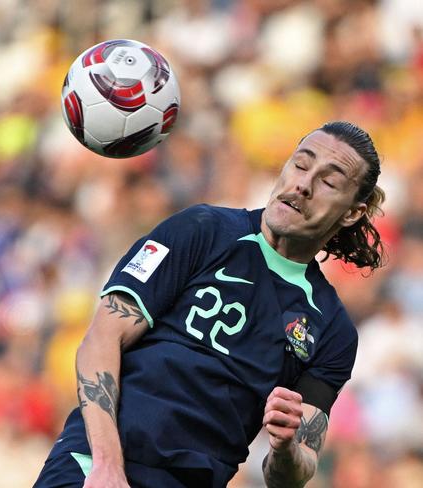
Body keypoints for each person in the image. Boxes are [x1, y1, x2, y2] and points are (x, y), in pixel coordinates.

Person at [33, 121, 385, 488]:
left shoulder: (332, 330)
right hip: (94, 463)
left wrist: (285, 450)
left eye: (328, 182)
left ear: (352, 212)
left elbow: (293, 473)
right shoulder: (201, 229)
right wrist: (106, 465)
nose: (303, 184)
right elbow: (101, 340)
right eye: (300, 164)